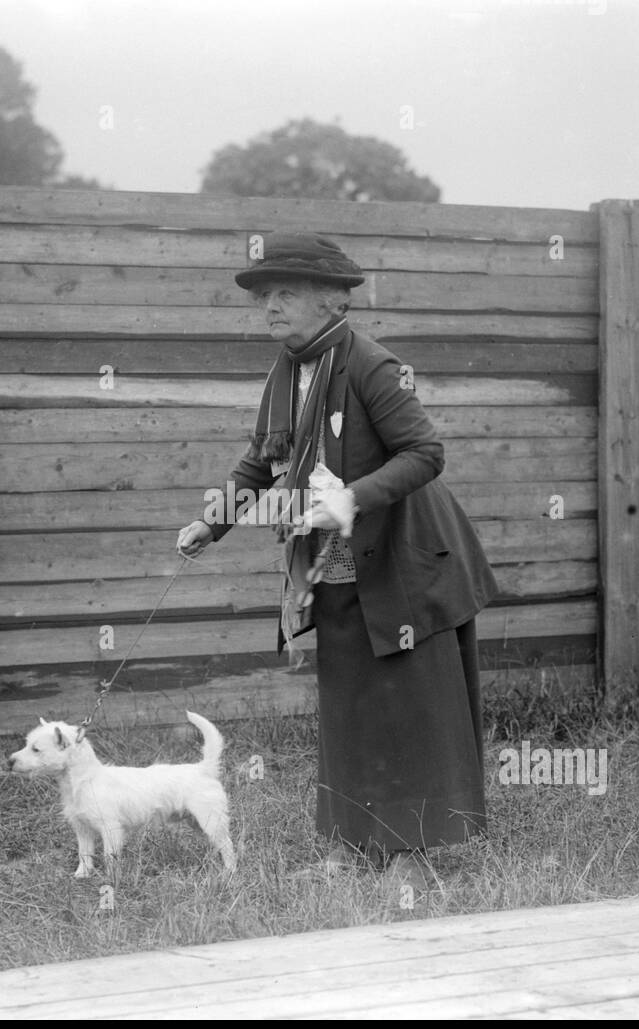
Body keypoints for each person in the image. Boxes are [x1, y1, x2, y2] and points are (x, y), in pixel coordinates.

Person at [177, 233, 500, 890]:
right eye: (265, 295)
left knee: (407, 711)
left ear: (329, 301)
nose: (270, 306)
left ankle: (410, 854)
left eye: (285, 293)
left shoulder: (373, 366)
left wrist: (350, 499)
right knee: (349, 711)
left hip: (406, 566)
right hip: (335, 566)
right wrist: (213, 520)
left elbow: (425, 454)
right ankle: (352, 843)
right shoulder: (287, 368)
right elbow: (262, 458)